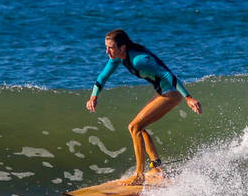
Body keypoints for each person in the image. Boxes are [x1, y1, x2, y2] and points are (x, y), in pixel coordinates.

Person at [86, 29, 202, 184]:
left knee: (134, 127)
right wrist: (94, 96)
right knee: (139, 127)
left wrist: (188, 98)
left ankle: (139, 175)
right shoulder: (118, 58)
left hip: (171, 92)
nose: (107, 51)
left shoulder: (139, 60)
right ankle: (156, 167)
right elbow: (103, 76)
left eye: (111, 47)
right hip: (163, 91)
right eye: (106, 47)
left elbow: (168, 74)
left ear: (123, 47)